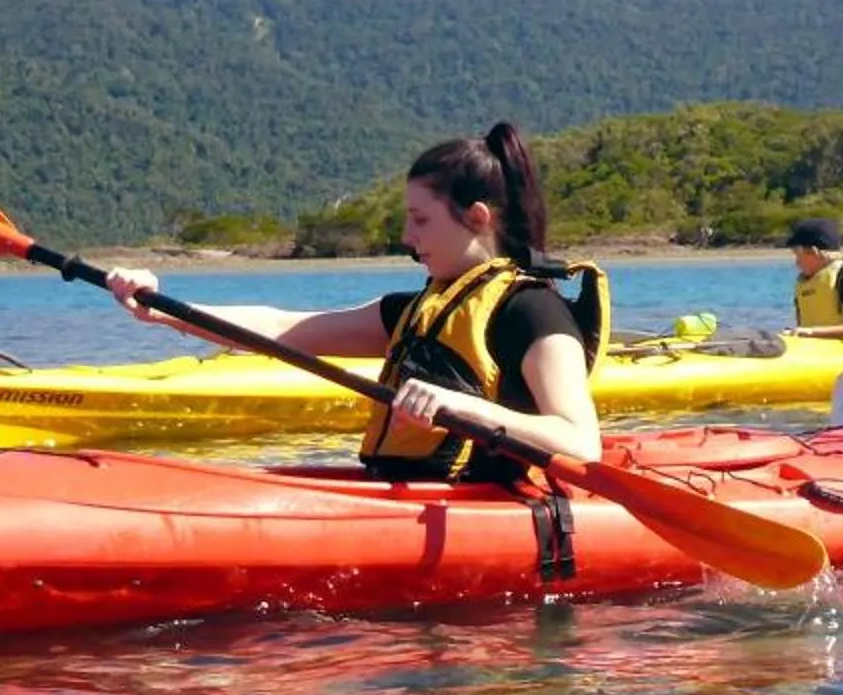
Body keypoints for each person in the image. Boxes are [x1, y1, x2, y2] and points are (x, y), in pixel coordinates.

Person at [102, 123, 605, 483]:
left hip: (499, 512)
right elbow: (282, 328)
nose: (408, 237)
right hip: (410, 499)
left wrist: (459, 406)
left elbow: (581, 443)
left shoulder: (533, 312)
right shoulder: (413, 311)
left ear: (477, 218)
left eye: (421, 219)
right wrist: (163, 308)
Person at [785, 217, 843, 336]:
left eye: (798, 255)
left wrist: (813, 332)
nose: (796, 263)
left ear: (814, 252)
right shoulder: (804, 284)